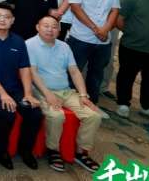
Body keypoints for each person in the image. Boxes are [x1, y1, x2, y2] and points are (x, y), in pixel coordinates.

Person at [27, 15, 102, 173]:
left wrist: (83, 95)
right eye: (46, 26)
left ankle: (80, 152)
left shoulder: (64, 46)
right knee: (56, 115)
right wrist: (47, 95)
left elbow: (74, 72)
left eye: (54, 27)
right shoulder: (29, 45)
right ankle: (53, 150)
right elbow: (32, 73)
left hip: (66, 91)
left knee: (94, 115)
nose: (50, 30)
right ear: (37, 27)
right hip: (41, 90)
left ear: (59, 30)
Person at [0, 2, 43, 170]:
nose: (2, 20)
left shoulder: (18, 41)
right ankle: (1, 150)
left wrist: (28, 93)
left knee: (34, 113)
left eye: (6, 17)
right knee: (7, 113)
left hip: (14, 88)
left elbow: (25, 69)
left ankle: (25, 150)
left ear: (13, 20)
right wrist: (3, 94)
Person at [66, 0, 119, 119]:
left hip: (103, 40)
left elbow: (115, 10)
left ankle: (92, 104)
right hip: (81, 38)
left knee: (96, 74)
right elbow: (76, 8)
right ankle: (69, 105)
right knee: (74, 71)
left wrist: (106, 29)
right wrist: (96, 29)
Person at [99, 0, 131, 101]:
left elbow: (121, 11)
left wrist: (109, 25)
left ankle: (103, 87)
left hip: (112, 26)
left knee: (108, 58)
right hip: (89, 25)